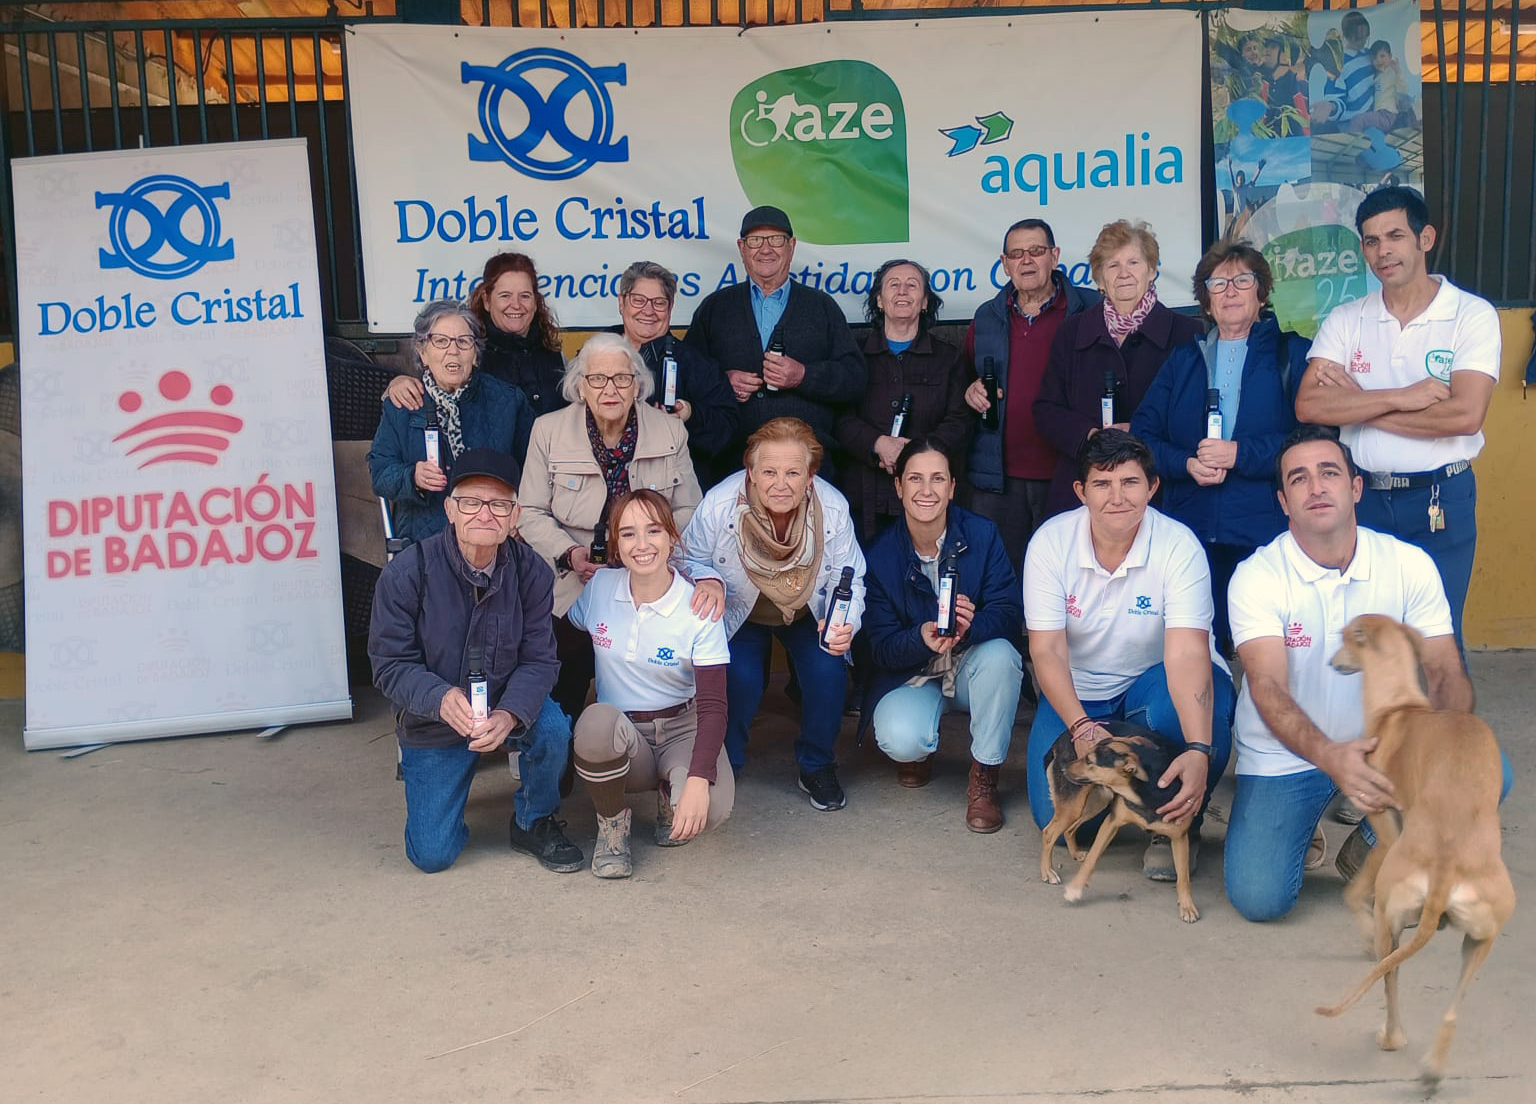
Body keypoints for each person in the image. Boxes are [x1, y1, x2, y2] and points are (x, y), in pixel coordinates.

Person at [1222, 426, 1513, 922]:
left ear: (1356, 488)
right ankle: (1307, 818)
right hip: (1287, 754)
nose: (1316, 487)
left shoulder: (1407, 564)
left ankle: (1372, 844)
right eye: (1299, 479)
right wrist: (1332, 757)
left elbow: (1443, 668)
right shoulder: (1258, 576)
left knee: (1487, 767)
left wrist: (1443, 745)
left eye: (1329, 472)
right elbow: (1267, 687)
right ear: (1283, 502)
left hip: (1387, 749)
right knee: (1260, 898)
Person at [1294, 186, 1500, 656]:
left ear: (1424, 238)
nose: (1382, 251)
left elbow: (1465, 416)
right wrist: (1404, 398)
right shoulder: (1348, 319)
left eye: (1394, 236)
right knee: (1365, 642)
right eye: (1370, 241)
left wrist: (1360, 405)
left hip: (1440, 497)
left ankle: (1451, 733)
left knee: (1437, 642)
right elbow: (1309, 405)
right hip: (1362, 499)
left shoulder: (1470, 315)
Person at [1022, 430, 1235, 880]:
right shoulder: (1050, 543)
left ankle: (1178, 824)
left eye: (1131, 482)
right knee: (1057, 817)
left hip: (1151, 685)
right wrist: (1080, 725)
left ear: (1153, 487)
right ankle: (1133, 799)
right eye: (1102, 484)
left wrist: (1199, 749)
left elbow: (1186, 657)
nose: (1117, 497)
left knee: (1194, 705)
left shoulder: (1179, 546)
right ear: (1080, 491)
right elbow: (1046, 650)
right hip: (1081, 694)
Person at [368, 448, 582, 874]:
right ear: (450, 509)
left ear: (515, 515)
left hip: (506, 704)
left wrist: (510, 714)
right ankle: (448, 785)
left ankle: (533, 819)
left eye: (499, 504)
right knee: (431, 855)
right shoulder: (407, 573)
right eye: (471, 502)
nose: (485, 513)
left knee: (555, 729)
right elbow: (389, 663)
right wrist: (440, 699)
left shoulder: (533, 573)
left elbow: (541, 661)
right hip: (435, 718)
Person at [1131, 241, 1308, 654]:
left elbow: (1313, 440)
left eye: (1242, 280)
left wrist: (1240, 454)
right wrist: (1186, 463)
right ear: (1206, 301)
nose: (1230, 290)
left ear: (1261, 294)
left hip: (1264, 531)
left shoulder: (1291, 354)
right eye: (1218, 283)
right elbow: (1142, 435)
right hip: (1189, 530)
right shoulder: (1183, 360)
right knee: (1198, 649)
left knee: (1266, 648)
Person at [682, 417, 866, 811]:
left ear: (810, 476)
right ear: (750, 472)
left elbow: (853, 577)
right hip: (740, 612)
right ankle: (724, 763)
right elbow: (686, 559)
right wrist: (708, 579)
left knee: (827, 671)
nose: (780, 484)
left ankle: (816, 764)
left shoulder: (832, 507)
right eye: (768, 471)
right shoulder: (719, 503)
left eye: (793, 472)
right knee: (740, 678)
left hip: (806, 611)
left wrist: (846, 622)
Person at [518, 333, 703, 722]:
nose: (610, 389)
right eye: (597, 379)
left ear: (637, 383)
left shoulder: (670, 432)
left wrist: (652, 553)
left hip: (648, 578)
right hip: (572, 579)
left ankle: (643, 752)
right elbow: (529, 510)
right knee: (563, 673)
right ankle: (557, 757)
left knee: (648, 682)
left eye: (621, 378)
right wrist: (570, 554)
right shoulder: (547, 431)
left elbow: (690, 507)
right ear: (580, 386)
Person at [567, 490, 733, 879]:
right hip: (624, 734)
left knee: (712, 807)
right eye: (627, 534)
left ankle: (669, 795)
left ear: (672, 538)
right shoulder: (600, 590)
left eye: (654, 530)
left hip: (682, 728)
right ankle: (611, 825)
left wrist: (696, 780)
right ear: (615, 544)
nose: (642, 545)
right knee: (593, 726)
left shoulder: (699, 605)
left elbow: (714, 707)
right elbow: (565, 653)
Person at [860, 439, 1022, 832]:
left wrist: (971, 627)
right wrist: (919, 638)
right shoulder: (880, 554)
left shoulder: (982, 535)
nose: (926, 490)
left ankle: (984, 775)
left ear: (952, 487)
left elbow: (1009, 614)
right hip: (913, 672)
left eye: (937, 479)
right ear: (898, 487)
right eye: (915, 478)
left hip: (971, 665)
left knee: (1003, 656)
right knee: (901, 739)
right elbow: (878, 649)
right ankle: (919, 751)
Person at [1033, 220, 1204, 518]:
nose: (1124, 273)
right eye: (1112, 266)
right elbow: (1046, 409)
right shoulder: (1071, 332)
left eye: (1134, 262)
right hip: (1083, 491)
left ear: (1151, 270)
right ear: (1099, 278)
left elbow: (1195, 417)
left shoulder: (1187, 334)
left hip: (1160, 490)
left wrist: (1140, 432)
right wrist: (1089, 436)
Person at [685, 205, 866, 479]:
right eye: (755, 241)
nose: (765, 249)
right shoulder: (715, 308)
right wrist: (722, 382)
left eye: (776, 240)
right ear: (741, 248)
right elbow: (686, 379)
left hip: (808, 467)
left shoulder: (822, 307)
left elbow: (855, 378)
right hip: (731, 465)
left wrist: (804, 376)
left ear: (791, 246)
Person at [964, 218, 1098, 573]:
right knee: (1001, 580)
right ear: (1004, 263)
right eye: (1016, 254)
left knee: (1069, 577)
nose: (1026, 260)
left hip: (1070, 473)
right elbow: (964, 376)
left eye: (1036, 251)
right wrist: (969, 389)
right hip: (999, 479)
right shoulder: (987, 316)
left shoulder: (1090, 310)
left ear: (1054, 257)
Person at [367, 300, 534, 544]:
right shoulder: (402, 404)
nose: (452, 351)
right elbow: (380, 474)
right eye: (441, 341)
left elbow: (535, 472)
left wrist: (519, 517)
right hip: (425, 540)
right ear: (423, 352)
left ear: (476, 354)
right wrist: (412, 477)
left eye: (463, 342)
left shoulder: (508, 401)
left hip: (493, 538)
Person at [835, 258, 972, 541]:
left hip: (928, 497)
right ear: (879, 300)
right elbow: (838, 417)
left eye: (912, 285)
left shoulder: (949, 357)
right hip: (862, 497)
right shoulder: (853, 355)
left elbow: (961, 420)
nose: (902, 291)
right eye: (893, 285)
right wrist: (878, 444)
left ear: (924, 302)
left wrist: (919, 453)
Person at [384, 252, 567, 418]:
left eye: (525, 296)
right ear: (487, 301)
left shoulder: (556, 357)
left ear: (536, 302)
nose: (516, 305)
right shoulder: (468, 352)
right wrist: (398, 384)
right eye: (505, 296)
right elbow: (431, 390)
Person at [615, 261, 738, 488]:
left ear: (670, 308)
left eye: (659, 303)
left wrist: (690, 416)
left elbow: (727, 430)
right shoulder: (596, 354)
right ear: (622, 303)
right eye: (638, 300)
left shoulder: (697, 363)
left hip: (673, 493)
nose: (648, 311)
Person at [1310, 10, 1374, 132]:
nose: (1363, 39)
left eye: (1365, 35)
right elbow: (1335, 96)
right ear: (1347, 35)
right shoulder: (1339, 63)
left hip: (1371, 118)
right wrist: (1330, 106)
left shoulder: (1369, 55)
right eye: (1358, 37)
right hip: (1351, 124)